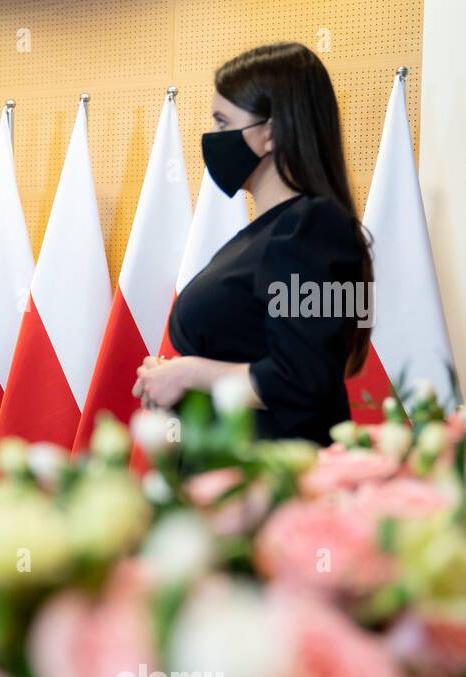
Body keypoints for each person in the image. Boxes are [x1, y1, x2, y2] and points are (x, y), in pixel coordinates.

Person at [133, 42, 373, 445]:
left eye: (224, 123)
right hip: (231, 470)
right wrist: (177, 378)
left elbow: (305, 379)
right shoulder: (270, 231)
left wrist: (189, 373)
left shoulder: (312, 229)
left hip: (274, 482)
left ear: (271, 133)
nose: (214, 137)